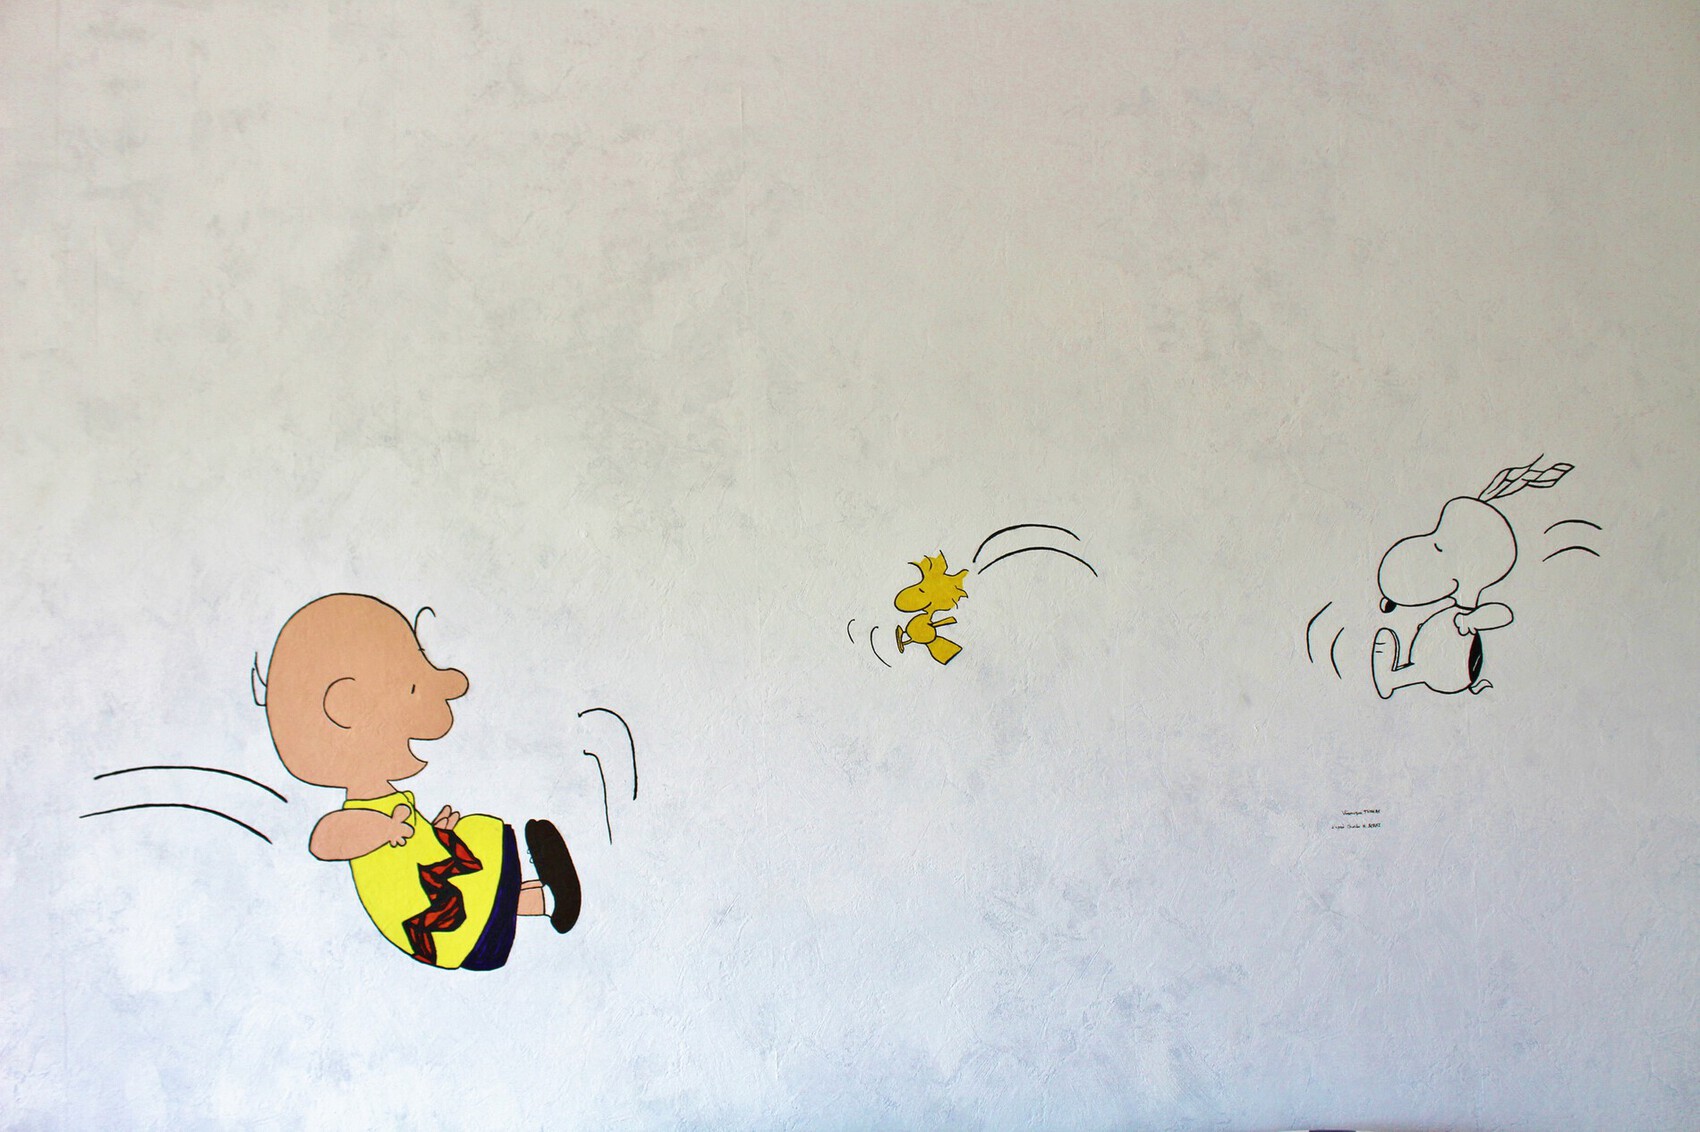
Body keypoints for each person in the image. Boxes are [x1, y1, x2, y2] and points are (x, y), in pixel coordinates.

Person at [262, 593, 579, 970]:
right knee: (475, 869)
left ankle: (548, 899)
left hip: (435, 901)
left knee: (474, 867)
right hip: (426, 921)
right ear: (347, 706)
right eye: (410, 687)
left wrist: (433, 835)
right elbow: (324, 840)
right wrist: (384, 829)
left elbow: (408, 850)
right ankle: (546, 899)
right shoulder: (365, 811)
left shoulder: (386, 801)